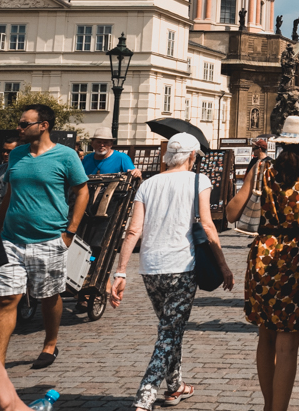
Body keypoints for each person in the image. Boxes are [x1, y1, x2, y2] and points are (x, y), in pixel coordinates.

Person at [109, 133, 234, 409]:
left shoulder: (148, 184)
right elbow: (209, 225)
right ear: (192, 156)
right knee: (169, 331)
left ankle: (175, 386)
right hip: (181, 267)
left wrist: (120, 271)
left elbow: (133, 230)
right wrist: (223, 264)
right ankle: (145, 394)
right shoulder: (198, 180)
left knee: (170, 327)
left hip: (151, 268)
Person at [226, 115, 299, 411]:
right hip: (297, 257)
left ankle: (267, 405)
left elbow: (232, 213)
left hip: (263, 255)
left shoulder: (261, 170)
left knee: (265, 336)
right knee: (288, 345)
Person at [0, 104, 90, 368]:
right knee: (6, 298)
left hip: (48, 238)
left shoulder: (66, 156)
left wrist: (69, 232)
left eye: (24, 123)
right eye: (19, 123)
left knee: (48, 296)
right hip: (11, 239)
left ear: (43, 125)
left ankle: (50, 344)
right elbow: (9, 194)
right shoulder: (16, 155)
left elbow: (82, 192)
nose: (19, 127)